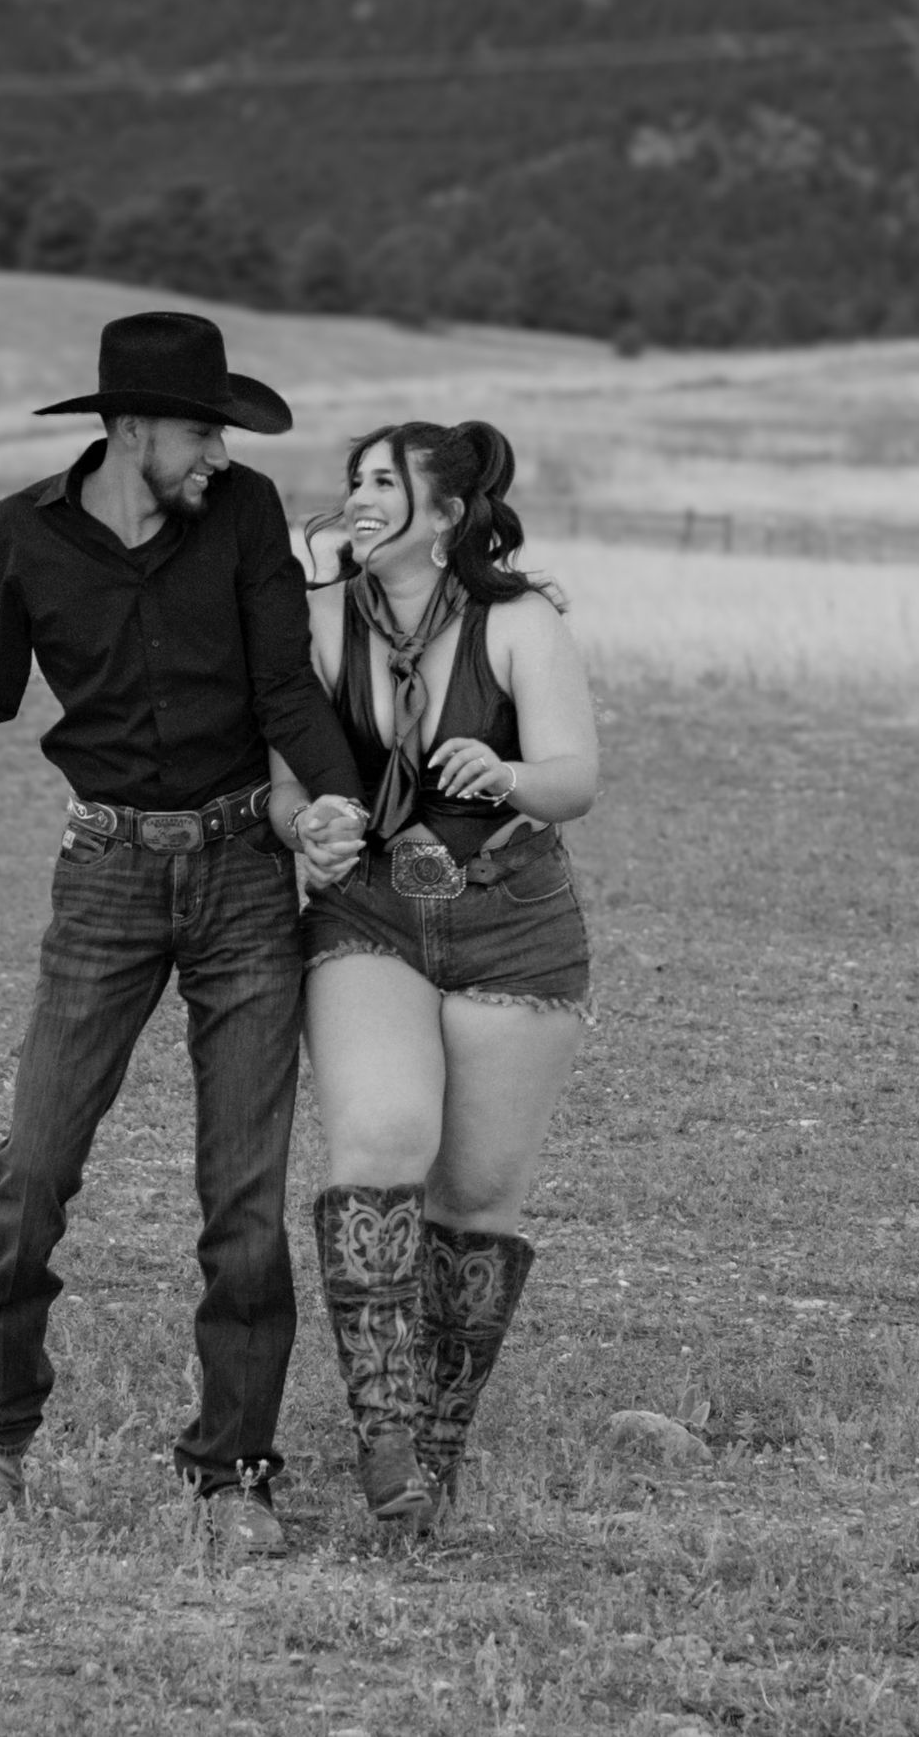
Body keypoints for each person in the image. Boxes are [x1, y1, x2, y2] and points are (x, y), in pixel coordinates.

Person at [0, 311, 366, 1558]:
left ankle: (234, 1478)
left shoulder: (250, 514)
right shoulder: (24, 535)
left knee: (245, 1199)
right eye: (203, 428)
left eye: (223, 430)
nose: (219, 451)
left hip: (243, 882)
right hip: (104, 877)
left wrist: (335, 800)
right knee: (34, 1168)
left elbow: (285, 691)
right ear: (128, 430)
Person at [269, 420, 599, 1529]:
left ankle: (443, 1448)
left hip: (513, 917)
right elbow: (275, 781)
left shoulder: (519, 623)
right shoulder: (316, 620)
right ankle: (389, 1443)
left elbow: (576, 779)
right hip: (372, 912)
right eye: (352, 481)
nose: (359, 499)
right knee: (379, 1142)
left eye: (385, 484)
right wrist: (305, 818)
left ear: (450, 514)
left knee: (476, 1196)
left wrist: (506, 770)